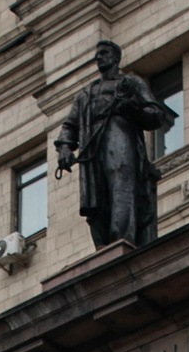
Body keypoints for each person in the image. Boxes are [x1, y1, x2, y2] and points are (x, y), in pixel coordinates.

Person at [53, 41, 176, 251]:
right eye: (97, 54)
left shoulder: (130, 84)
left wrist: (133, 108)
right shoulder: (85, 94)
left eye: (104, 53)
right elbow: (69, 126)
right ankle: (102, 246)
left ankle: (121, 239)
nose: (99, 57)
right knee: (96, 196)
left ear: (116, 58)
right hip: (92, 146)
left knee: (121, 184)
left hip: (119, 136)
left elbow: (156, 115)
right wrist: (64, 147)